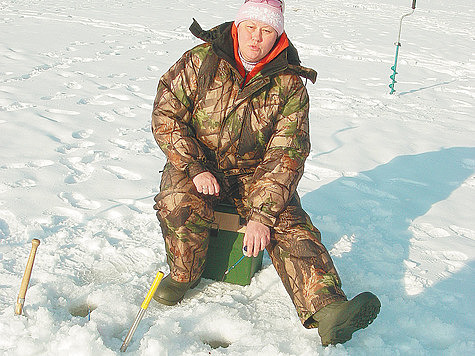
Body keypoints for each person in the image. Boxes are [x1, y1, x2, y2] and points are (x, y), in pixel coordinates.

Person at [151, 0, 380, 346]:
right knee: (176, 202)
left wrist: (261, 214)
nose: (257, 38)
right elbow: (166, 115)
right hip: (196, 164)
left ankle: (329, 309)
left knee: (288, 220)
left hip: (255, 175)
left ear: (278, 35)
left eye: (267, 30)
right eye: (251, 28)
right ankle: (183, 275)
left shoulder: (290, 84)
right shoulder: (199, 61)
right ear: (237, 26)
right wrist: (194, 166)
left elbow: (286, 154)